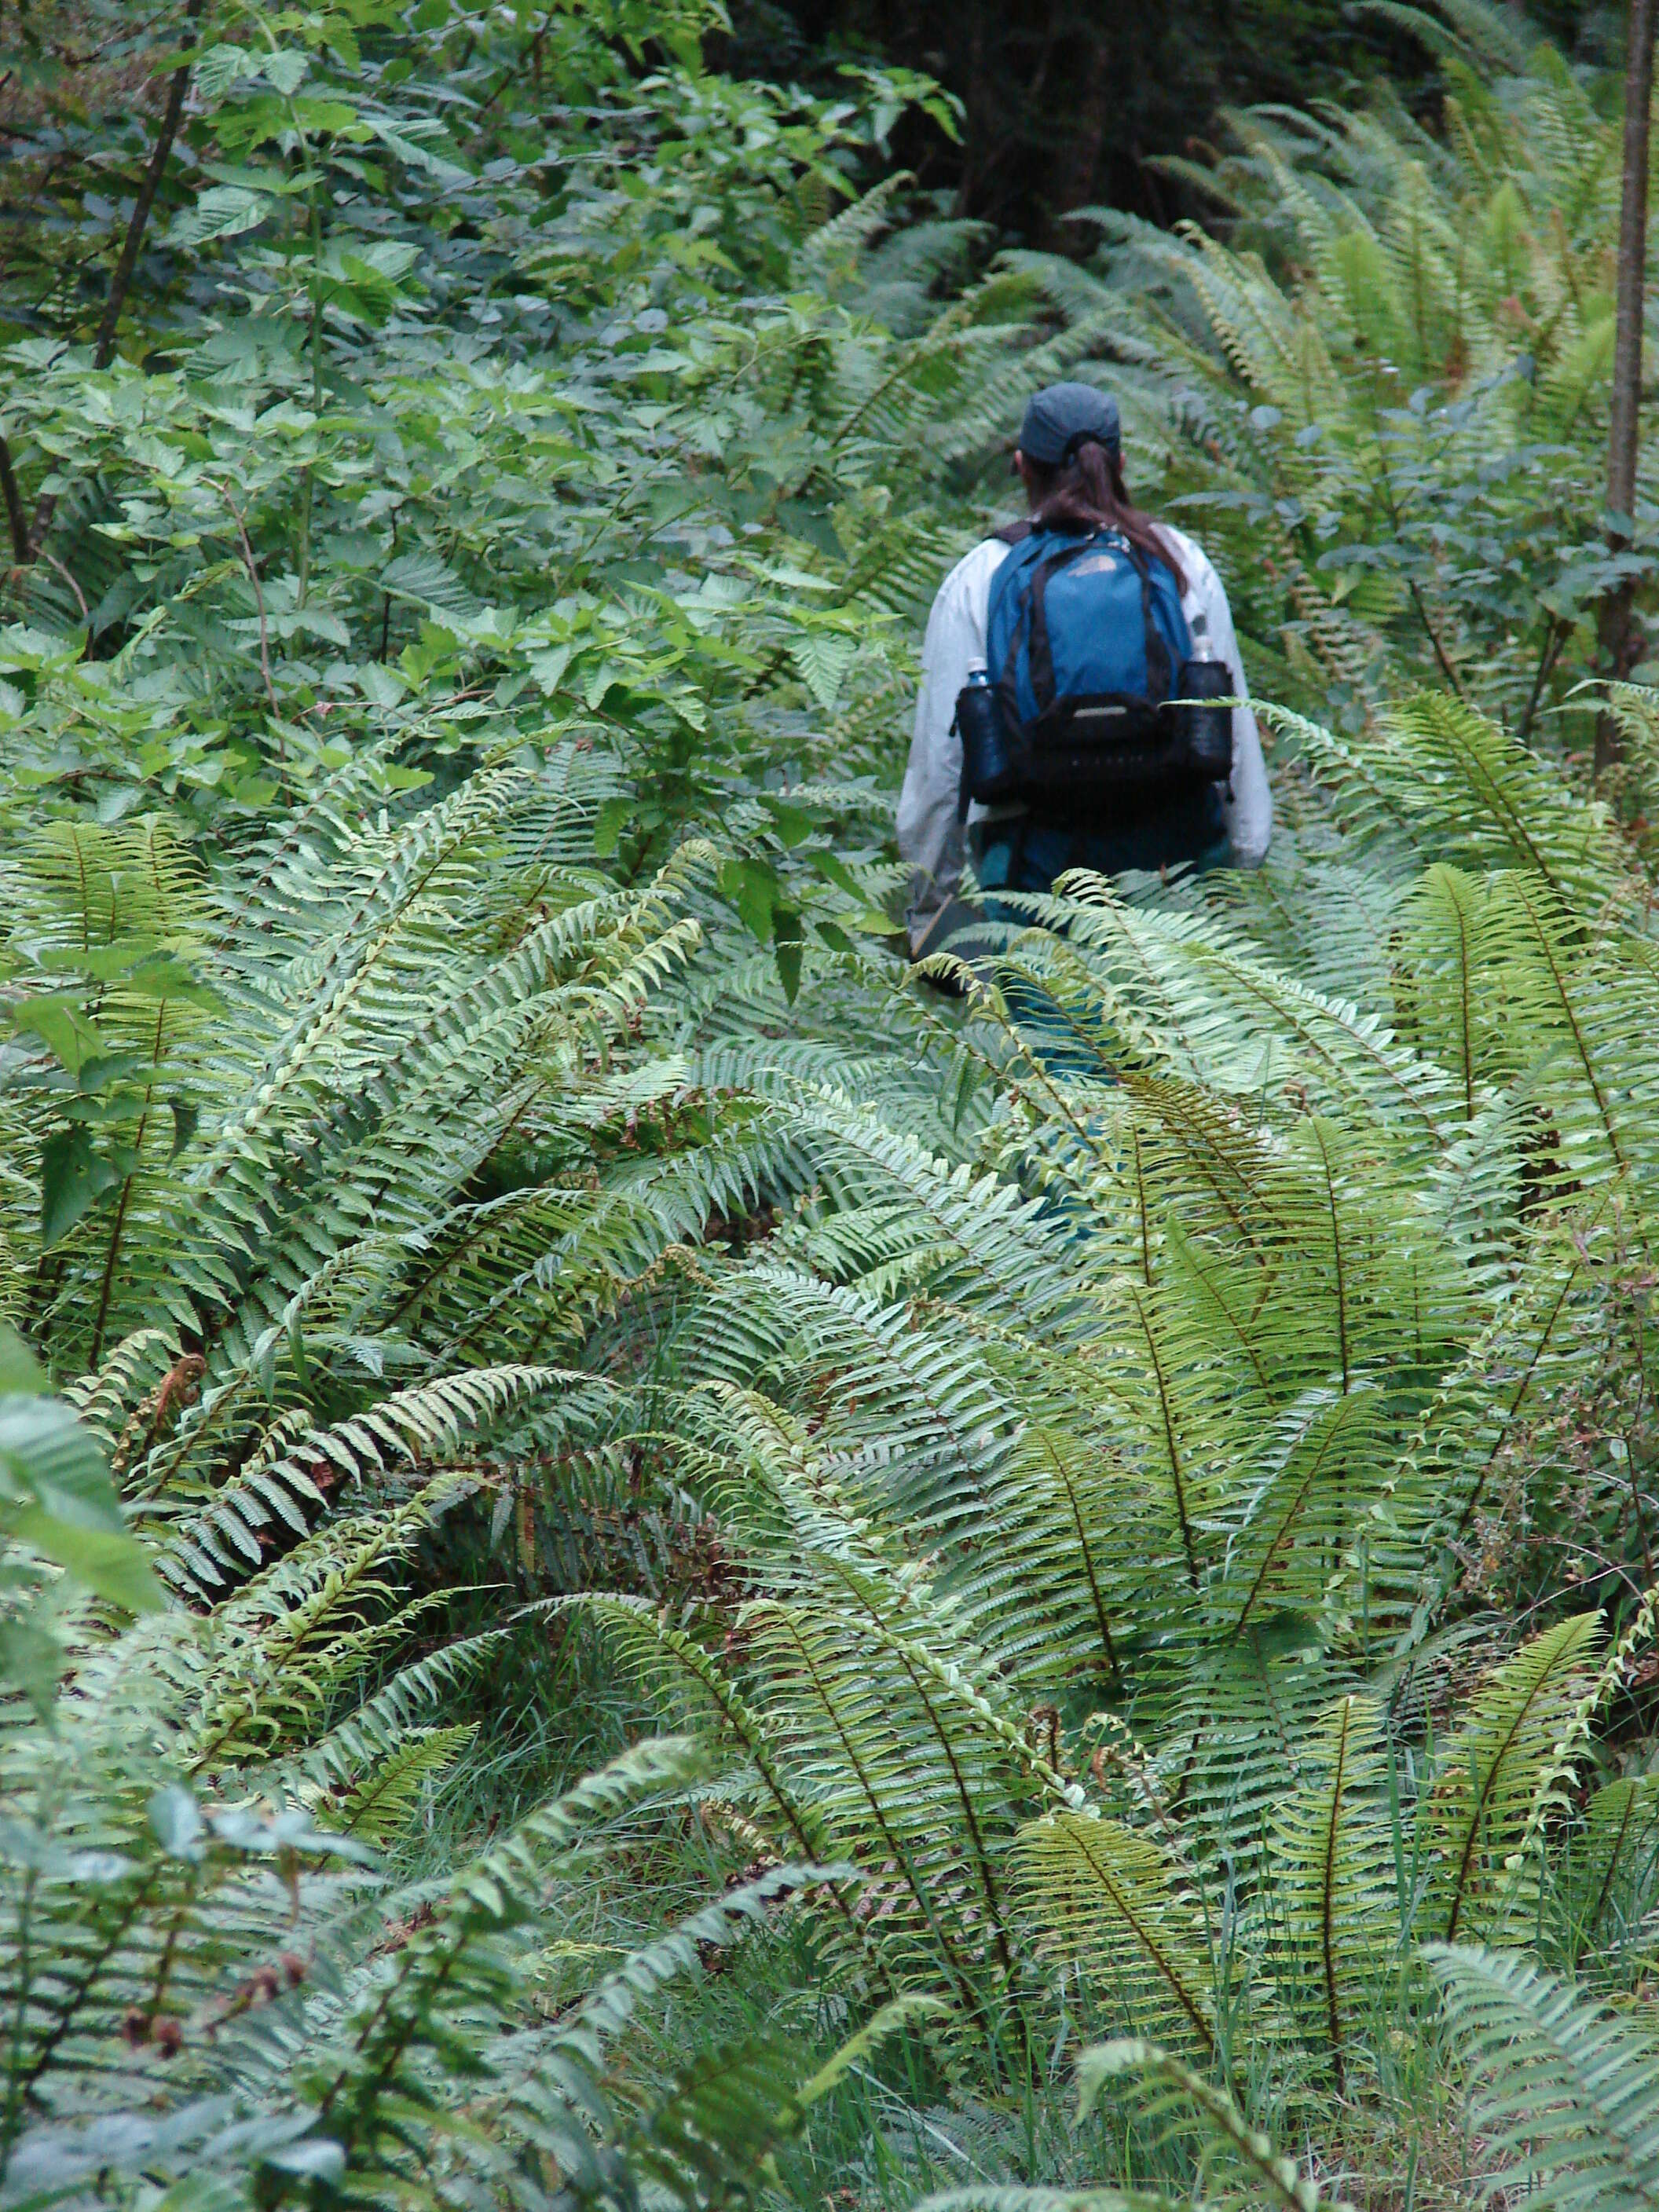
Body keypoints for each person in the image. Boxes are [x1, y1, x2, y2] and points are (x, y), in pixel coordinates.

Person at [897, 381, 1271, 956]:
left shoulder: (981, 576)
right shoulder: (1178, 562)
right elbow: (1233, 719)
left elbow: (939, 771)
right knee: (1177, 1039)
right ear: (1120, 464)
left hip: (1033, 867)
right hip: (1180, 860)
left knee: (1062, 1040)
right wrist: (1242, 865)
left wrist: (930, 910)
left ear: (1022, 467)